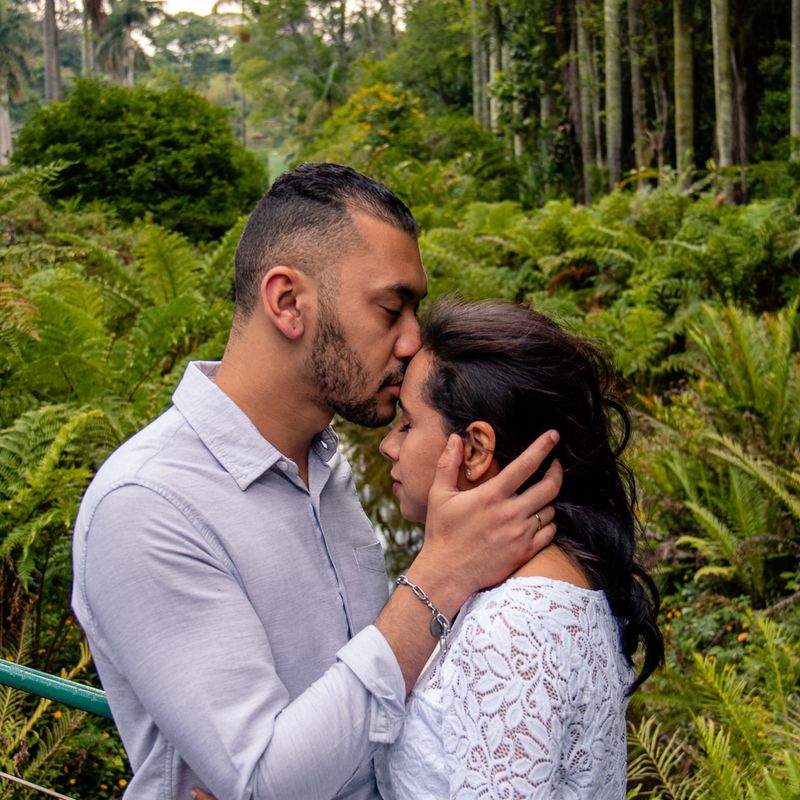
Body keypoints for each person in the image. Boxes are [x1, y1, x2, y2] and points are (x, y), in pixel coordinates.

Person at [71, 164, 562, 800]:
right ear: (287, 303)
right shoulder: (149, 505)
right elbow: (262, 782)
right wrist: (441, 575)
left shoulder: (328, 469)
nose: (413, 342)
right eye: (391, 309)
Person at [375, 298, 665, 798]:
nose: (388, 445)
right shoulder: (561, 579)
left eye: (407, 424)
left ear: (475, 449)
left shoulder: (511, 627)